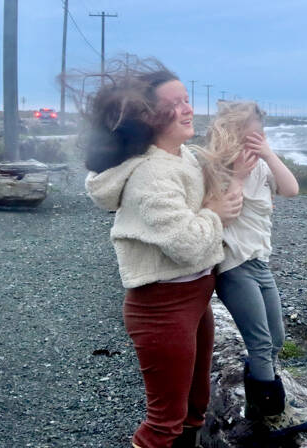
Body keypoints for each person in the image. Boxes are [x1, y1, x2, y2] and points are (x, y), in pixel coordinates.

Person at [82, 58, 243, 448]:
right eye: (175, 103)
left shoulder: (182, 155)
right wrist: (215, 214)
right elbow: (188, 245)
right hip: (161, 306)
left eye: (187, 99)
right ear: (146, 117)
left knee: (194, 407)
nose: (187, 108)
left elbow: (208, 181)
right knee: (163, 422)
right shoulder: (151, 174)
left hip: (195, 296)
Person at [199, 101, 307, 437]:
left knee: (277, 338)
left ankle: (258, 403)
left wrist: (268, 155)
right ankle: (271, 414)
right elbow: (226, 213)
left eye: (262, 137)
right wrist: (237, 175)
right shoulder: (216, 170)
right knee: (261, 342)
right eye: (252, 137)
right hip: (233, 267)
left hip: (259, 263)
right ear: (233, 135)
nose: (258, 142)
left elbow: (292, 189)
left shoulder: (264, 167)